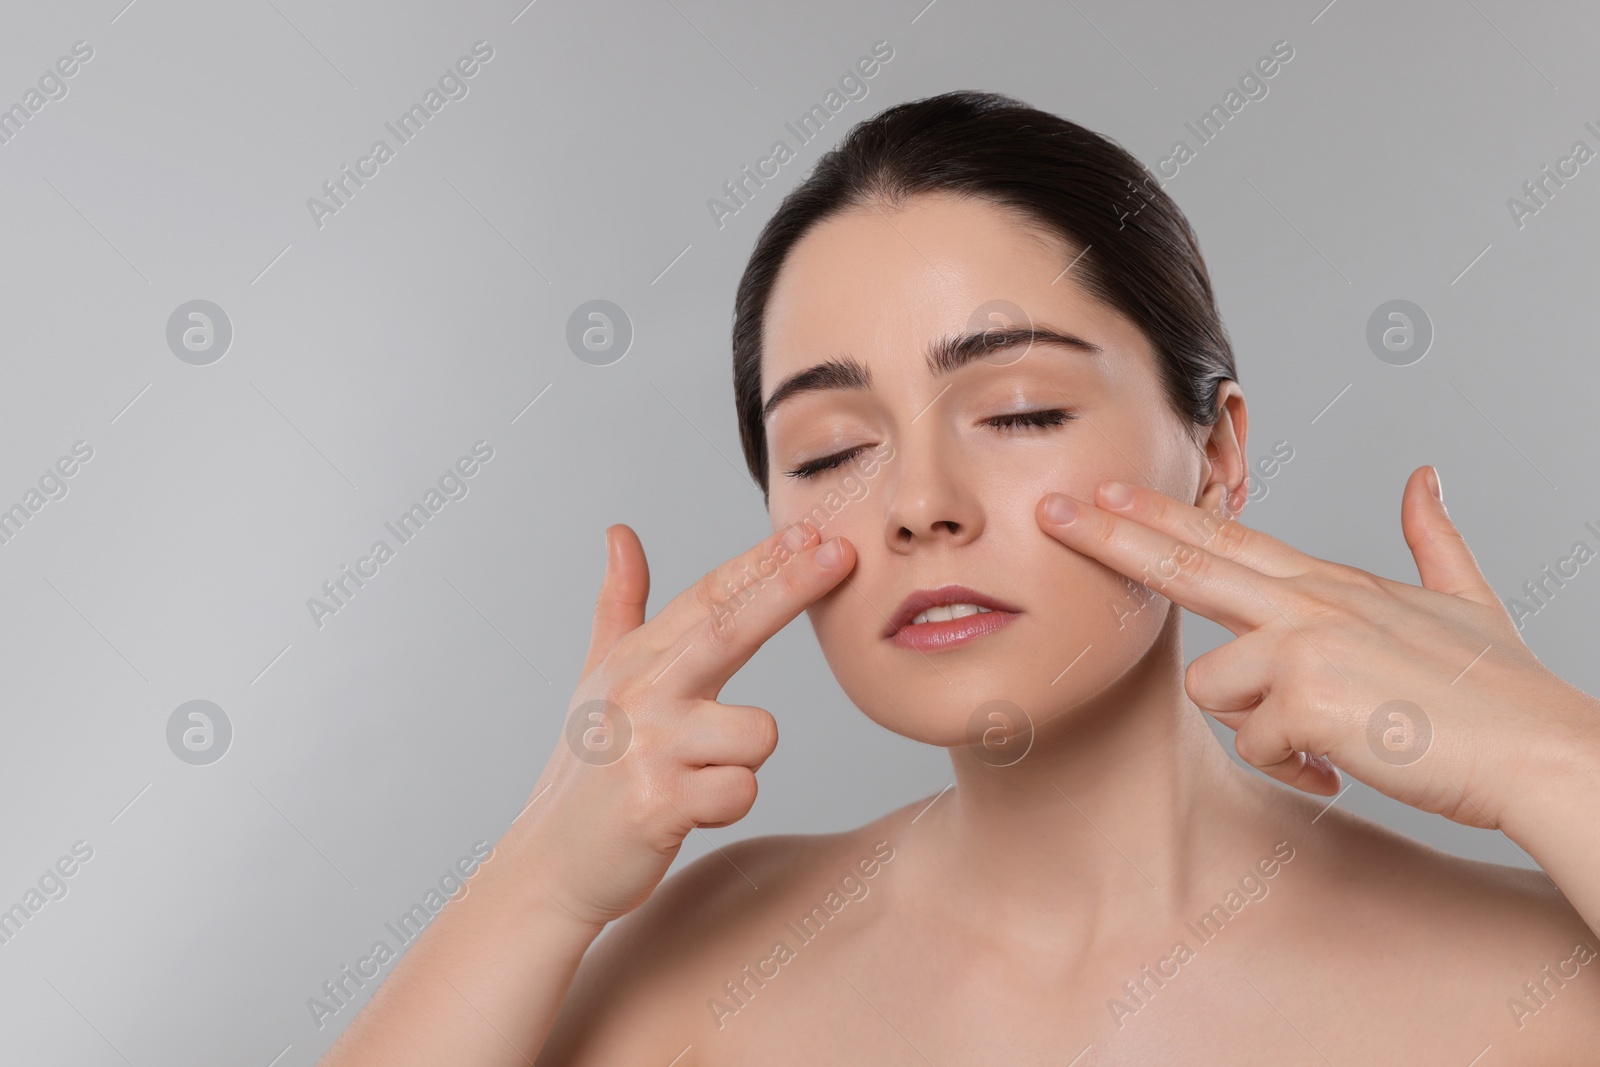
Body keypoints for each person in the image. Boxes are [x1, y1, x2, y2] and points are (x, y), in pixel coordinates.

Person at [318, 91, 1600, 1065]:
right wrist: (535, 881)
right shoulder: (700, 968)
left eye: (1021, 409)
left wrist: (1554, 759)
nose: (919, 504)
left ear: (1216, 456)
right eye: (832, 449)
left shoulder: (1531, 985)